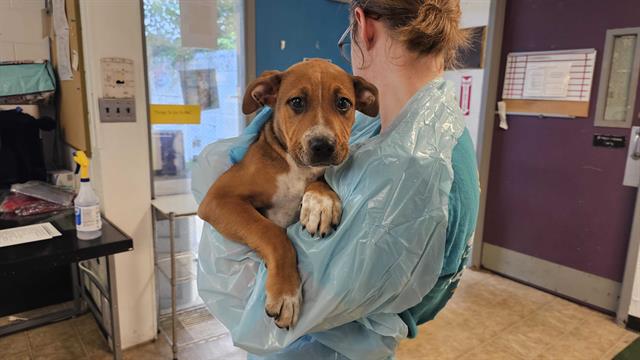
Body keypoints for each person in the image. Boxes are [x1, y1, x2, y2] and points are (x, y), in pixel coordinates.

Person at [192, 0, 480, 359]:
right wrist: (311, 189)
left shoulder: (416, 161)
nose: (322, 130)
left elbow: (290, 306)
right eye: (297, 104)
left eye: (342, 105)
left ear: (363, 25)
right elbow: (219, 206)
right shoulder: (405, 129)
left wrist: (284, 239)